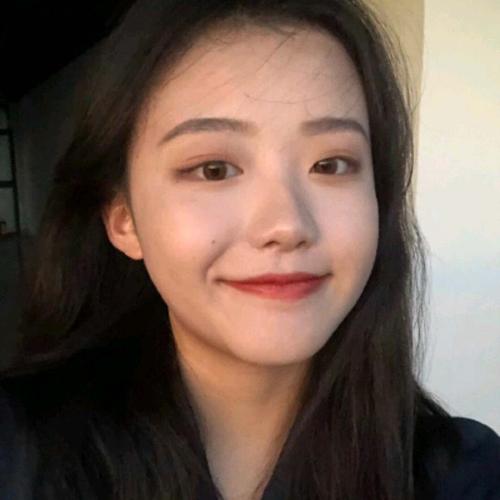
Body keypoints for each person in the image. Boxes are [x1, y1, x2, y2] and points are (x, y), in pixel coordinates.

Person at [0, 0, 499, 499]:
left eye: (330, 165)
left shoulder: (462, 474)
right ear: (123, 219)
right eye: (214, 169)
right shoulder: (19, 454)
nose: (286, 225)